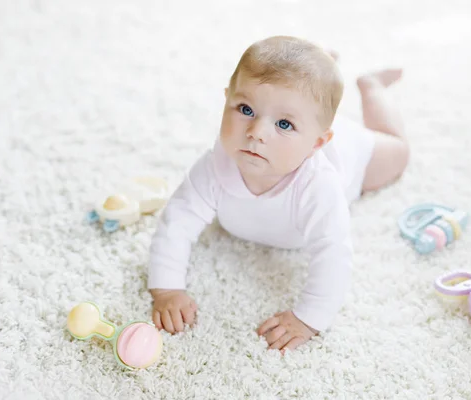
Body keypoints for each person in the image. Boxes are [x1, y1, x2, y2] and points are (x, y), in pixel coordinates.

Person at [147, 35, 409, 352]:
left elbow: (333, 253)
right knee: (297, 91)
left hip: (355, 157)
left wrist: (309, 318)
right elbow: (178, 220)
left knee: (398, 153)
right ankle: (314, 70)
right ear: (226, 99)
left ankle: (372, 88)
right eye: (245, 108)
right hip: (305, 117)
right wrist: (167, 288)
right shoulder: (216, 164)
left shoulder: (318, 185)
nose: (256, 132)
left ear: (316, 144)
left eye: (283, 124)